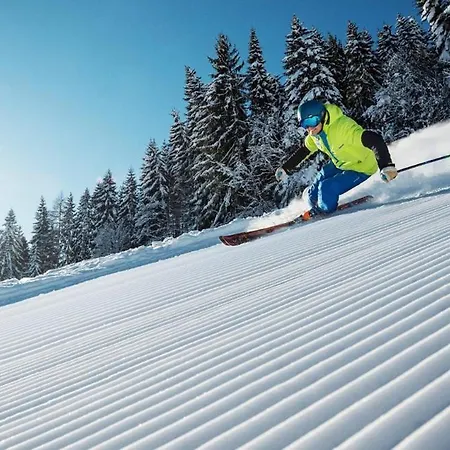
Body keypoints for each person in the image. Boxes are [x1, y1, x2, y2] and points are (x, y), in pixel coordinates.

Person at [275, 99, 398, 215]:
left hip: (361, 166)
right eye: (305, 124)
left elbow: (375, 139)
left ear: (322, 116)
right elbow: (305, 150)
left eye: (312, 122)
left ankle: (323, 211)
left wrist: (386, 166)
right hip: (341, 163)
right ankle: (318, 205)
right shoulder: (315, 134)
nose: (310, 128)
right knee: (313, 194)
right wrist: (286, 168)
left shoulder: (343, 128)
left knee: (327, 188)